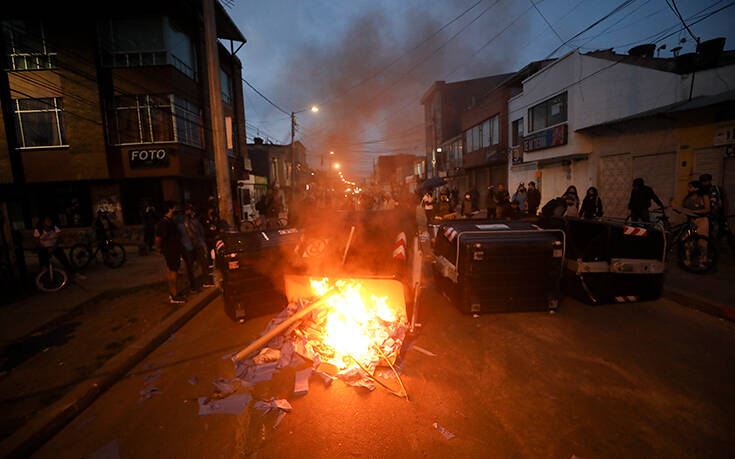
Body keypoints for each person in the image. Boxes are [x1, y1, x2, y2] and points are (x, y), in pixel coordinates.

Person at [156, 202, 185, 304]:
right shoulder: (164, 223)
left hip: (173, 250)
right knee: (173, 273)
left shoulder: (170, 221)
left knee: (171, 271)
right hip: (171, 251)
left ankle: (173, 292)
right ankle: (174, 295)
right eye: (175, 207)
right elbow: (158, 238)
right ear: (170, 209)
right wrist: (158, 248)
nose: (176, 209)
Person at [180, 204, 214, 291]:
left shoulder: (195, 221)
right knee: (190, 267)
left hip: (197, 244)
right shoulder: (181, 223)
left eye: (190, 210)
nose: (190, 212)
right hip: (188, 246)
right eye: (188, 210)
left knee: (203, 263)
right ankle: (192, 285)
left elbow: (200, 232)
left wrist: (202, 243)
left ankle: (206, 281)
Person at [680, 181, 711, 266]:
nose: (689, 189)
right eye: (689, 187)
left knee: (702, 241)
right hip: (691, 221)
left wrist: (693, 211)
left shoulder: (703, 196)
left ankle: (702, 260)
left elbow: (707, 209)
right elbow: (683, 208)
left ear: (697, 188)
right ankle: (688, 258)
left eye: (691, 187)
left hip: (702, 220)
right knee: (687, 240)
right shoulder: (687, 198)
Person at [699, 173, 728, 238]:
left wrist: (725, 214)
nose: (705, 183)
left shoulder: (718, 189)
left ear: (710, 180)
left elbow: (725, 201)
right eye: (703, 181)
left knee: (721, 234)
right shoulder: (703, 191)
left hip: (719, 215)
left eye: (706, 181)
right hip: (709, 217)